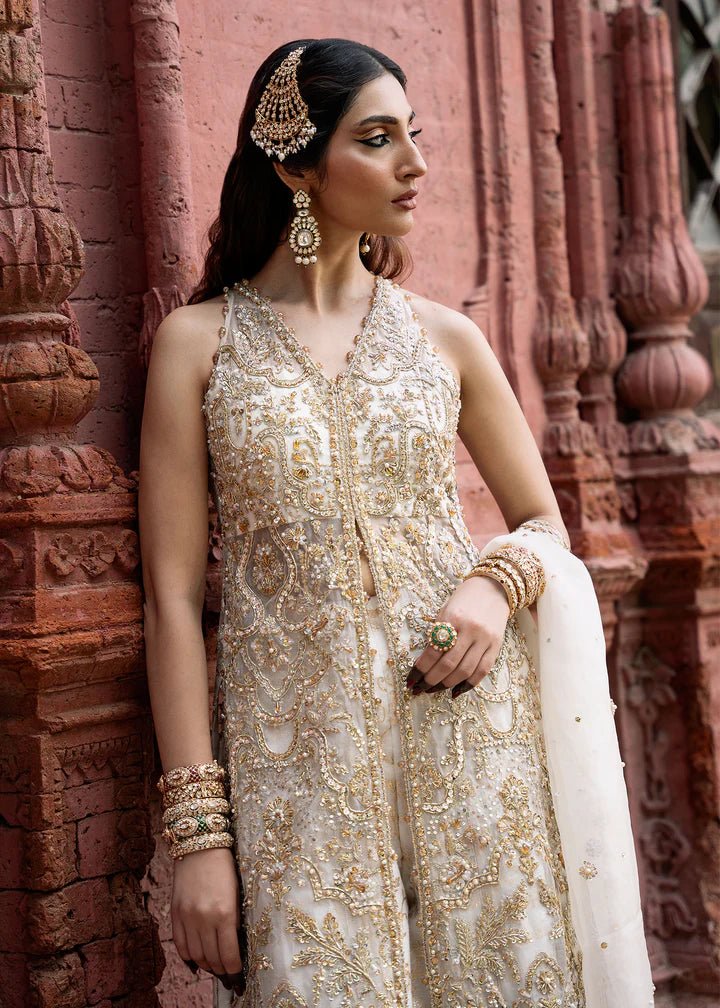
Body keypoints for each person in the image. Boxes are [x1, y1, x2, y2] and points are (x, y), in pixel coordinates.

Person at [138, 37, 655, 1008]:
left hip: (471, 739)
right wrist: (199, 837)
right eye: (379, 139)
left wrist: (492, 590)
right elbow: (169, 601)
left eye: (413, 135)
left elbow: (541, 519)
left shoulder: (445, 338)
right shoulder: (198, 348)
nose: (415, 163)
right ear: (296, 164)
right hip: (298, 771)